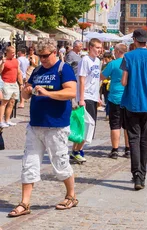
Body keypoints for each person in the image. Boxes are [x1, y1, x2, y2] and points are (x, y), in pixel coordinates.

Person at [8, 38, 77, 218]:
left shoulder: (63, 69)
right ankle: (25, 202)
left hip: (56, 125)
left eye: (46, 56)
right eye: (40, 55)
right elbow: (26, 91)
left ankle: (71, 196)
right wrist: (26, 90)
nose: (43, 59)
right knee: (29, 164)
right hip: (35, 125)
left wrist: (48, 93)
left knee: (60, 164)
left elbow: (71, 92)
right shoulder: (37, 70)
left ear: (54, 52)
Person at [121, 28, 147, 190]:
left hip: (132, 101)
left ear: (135, 40)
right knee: (144, 140)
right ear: (146, 41)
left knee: (134, 139)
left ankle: (136, 174)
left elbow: (124, 81)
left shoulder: (128, 56)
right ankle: (142, 175)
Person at [70, 38, 102, 164]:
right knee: (88, 125)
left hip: (93, 96)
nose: (99, 50)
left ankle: (74, 150)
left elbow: (96, 80)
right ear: (90, 48)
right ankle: (78, 151)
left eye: (100, 48)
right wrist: (81, 99)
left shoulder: (98, 61)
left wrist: (98, 96)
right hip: (86, 96)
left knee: (85, 125)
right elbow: (82, 79)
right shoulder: (85, 60)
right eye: (97, 47)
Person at [101, 43, 130, 159]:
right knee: (127, 126)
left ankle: (115, 150)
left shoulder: (112, 64)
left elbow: (102, 77)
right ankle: (128, 149)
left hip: (114, 98)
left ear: (117, 52)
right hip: (127, 98)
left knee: (115, 125)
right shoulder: (129, 64)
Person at [0, 46, 22, 128]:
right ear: (7, 52)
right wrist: (2, 63)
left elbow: (18, 72)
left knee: (12, 102)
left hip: (14, 83)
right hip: (6, 83)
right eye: (12, 52)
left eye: (14, 52)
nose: (13, 54)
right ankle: (1, 121)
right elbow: (0, 71)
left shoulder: (16, 61)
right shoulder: (4, 61)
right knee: (4, 102)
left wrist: (21, 83)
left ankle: (7, 120)